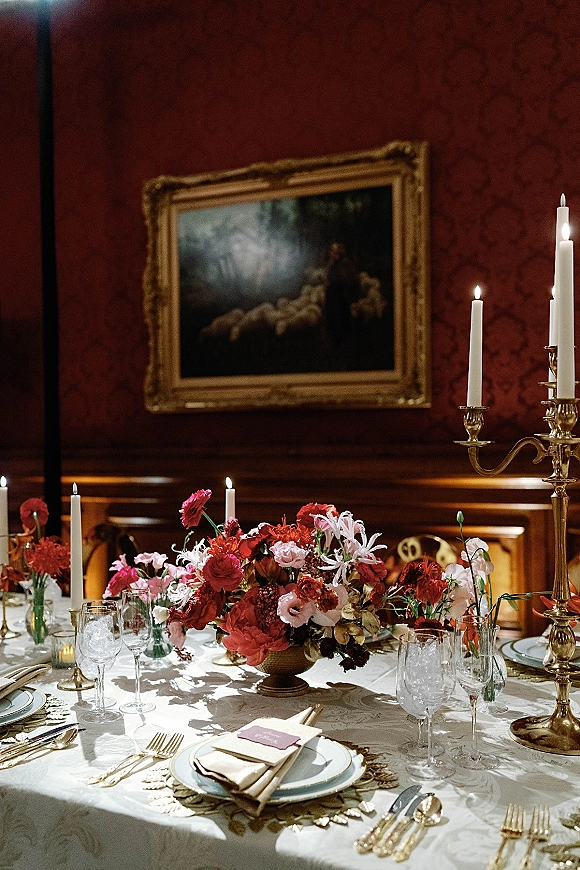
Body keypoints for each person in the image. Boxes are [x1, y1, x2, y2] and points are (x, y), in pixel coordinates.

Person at [324, 242, 359, 346]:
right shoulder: (331, 264)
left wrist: (347, 288)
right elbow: (328, 277)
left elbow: (351, 279)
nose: (332, 254)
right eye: (332, 251)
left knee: (341, 316)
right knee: (332, 316)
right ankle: (333, 337)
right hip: (332, 293)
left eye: (335, 252)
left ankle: (343, 338)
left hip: (342, 294)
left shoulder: (345, 264)